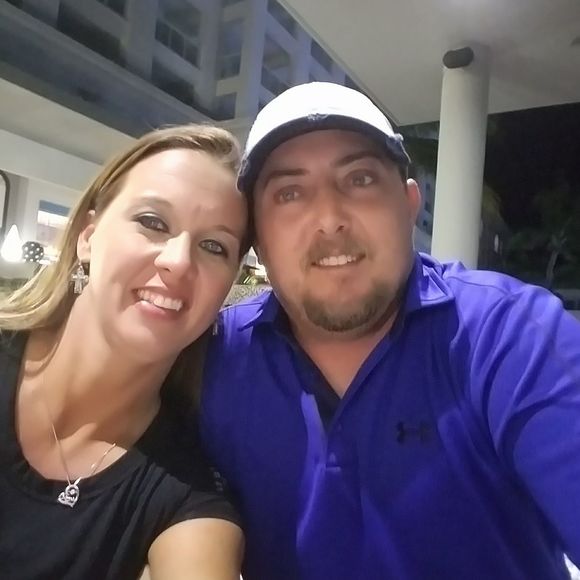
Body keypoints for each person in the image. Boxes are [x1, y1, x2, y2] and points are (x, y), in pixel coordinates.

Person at [200, 82, 580, 580]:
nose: (330, 220)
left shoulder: (505, 334)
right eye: (289, 193)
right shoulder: (216, 357)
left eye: (359, 179)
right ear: (258, 237)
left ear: (409, 203)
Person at [0, 125, 249, 579]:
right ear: (88, 236)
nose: (178, 261)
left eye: (214, 246)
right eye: (153, 222)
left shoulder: (186, 495)